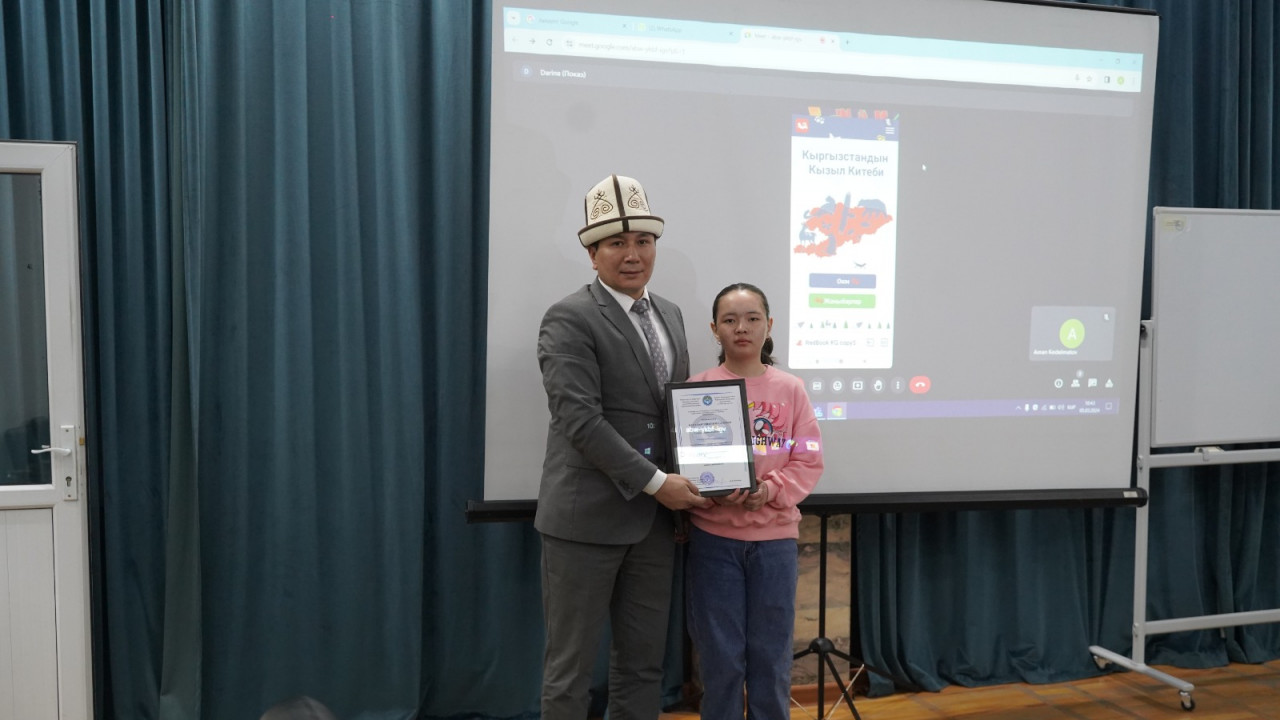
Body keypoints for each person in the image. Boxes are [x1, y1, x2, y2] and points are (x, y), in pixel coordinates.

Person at [535, 174, 712, 720]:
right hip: (585, 522)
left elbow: (675, 414)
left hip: (653, 526)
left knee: (643, 668)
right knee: (569, 672)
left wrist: (705, 477)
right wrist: (659, 485)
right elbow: (580, 421)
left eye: (643, 241)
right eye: (616, 243)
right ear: (592, 254)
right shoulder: (569, 317)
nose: (633, 254)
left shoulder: (672, 315)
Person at [685, 282, 824, 720]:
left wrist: (769, 489)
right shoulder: (695, 389)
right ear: (714, 329)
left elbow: (809, 458)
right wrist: (708, 493)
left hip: (775, 544)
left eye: (752, 319)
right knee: (720, 660)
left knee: (771, 658)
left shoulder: (791, 389)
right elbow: (685, 468)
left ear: (769, 325)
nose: (741, 328)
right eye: (729, 320)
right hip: (713, 543)